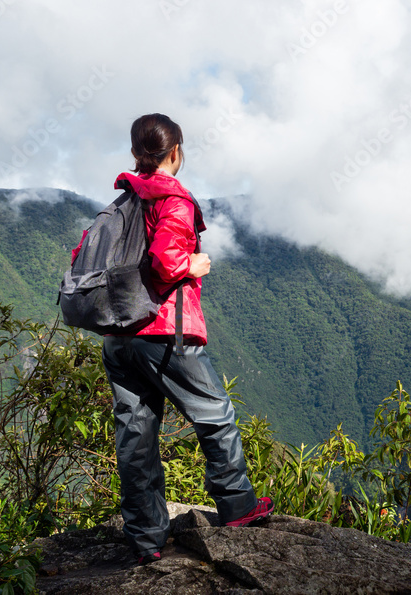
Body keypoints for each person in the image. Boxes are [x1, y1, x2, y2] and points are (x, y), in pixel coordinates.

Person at [94, 113, 273, 565]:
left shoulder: (122, 202)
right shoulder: (173, 198)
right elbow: (164, 263)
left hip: (117, 332)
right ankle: (238, 507)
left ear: (136, 154)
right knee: (214, 413)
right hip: (162, 331)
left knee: (135, 433)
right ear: (175, 152)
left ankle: (146, 539)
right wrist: (192, 265)